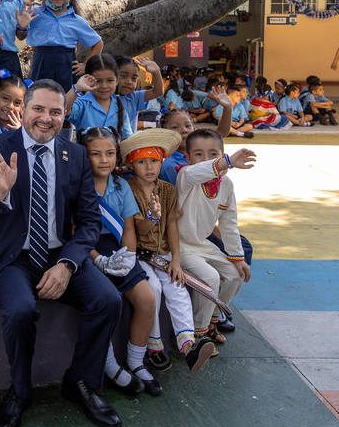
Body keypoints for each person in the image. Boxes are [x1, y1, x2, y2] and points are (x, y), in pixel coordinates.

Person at [0, 79, 124, 427]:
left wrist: (68, 265)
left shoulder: (76, 155)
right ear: (23, 110)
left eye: (56, 112)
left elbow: (88, 222)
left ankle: (81, 382)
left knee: (108, 300)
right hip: (9, 256)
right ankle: (20, 392)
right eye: (38, 108)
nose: (46, 118)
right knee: (20, 310)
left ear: (64, 115)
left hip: (57, 253)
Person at [120, 129, 215, 373]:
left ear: (162, 161)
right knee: (153, 289)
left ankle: (188, 345)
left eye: (154, 160)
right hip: (138, 255)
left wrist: (176, 260)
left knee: (177, 286)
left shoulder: (167, 190)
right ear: (132, 164)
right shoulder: (126, 189)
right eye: (142, 161)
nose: (149, 167)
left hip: (163, 254)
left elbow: (172, 225)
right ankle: (154, 347)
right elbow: (139, 230)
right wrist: (153, 215)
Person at [79, 127, 161, 397]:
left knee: (147, 299)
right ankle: (109, 363)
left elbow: (128, 227)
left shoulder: (120, 185)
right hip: (87, 249)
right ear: (84, 155)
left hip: (117, 248)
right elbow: (74, 233)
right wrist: (98, 260)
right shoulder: (77, 185)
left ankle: (136, 362)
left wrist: (127, 255)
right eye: (96, 154)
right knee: (107, 301)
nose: (104, 160)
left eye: (110, 153)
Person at [177, 131, 255, 346]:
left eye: (213, 153)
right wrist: (226, 161)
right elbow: (199, 171)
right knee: (210, 278)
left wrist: (237, 257)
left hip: (203, 245)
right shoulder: (186, 176)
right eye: (199, 154)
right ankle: (197, 333)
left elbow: (229, 224)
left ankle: (212, 322)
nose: (207, 159)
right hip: (180, 247)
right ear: (188, 159)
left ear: (221, 153)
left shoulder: (226, 184)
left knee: (236, 274)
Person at [26, 0, 103, 92]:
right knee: (39, 96)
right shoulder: (35, 13)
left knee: (65, 100)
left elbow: (98, 43)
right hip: (41, 62)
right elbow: (20, 33)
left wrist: (85, 65)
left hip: (66, 65)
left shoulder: (78, 21)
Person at [68, 54, 132, 141]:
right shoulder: (82, 104)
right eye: (98, 81)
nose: (104, 86)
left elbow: (126, 139)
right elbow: (64, 109)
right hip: (84, 154)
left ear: (117, 80)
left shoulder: (120, 108)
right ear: (87, 80)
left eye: (110, 80)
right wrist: (76, 88)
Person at [115, 56, 164, 134]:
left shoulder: (134, 97)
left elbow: (157, 92)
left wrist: (156, 72)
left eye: (134, 78)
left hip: (130, 144)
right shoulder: (105, 97)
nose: (129, 82)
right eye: (124, 76)